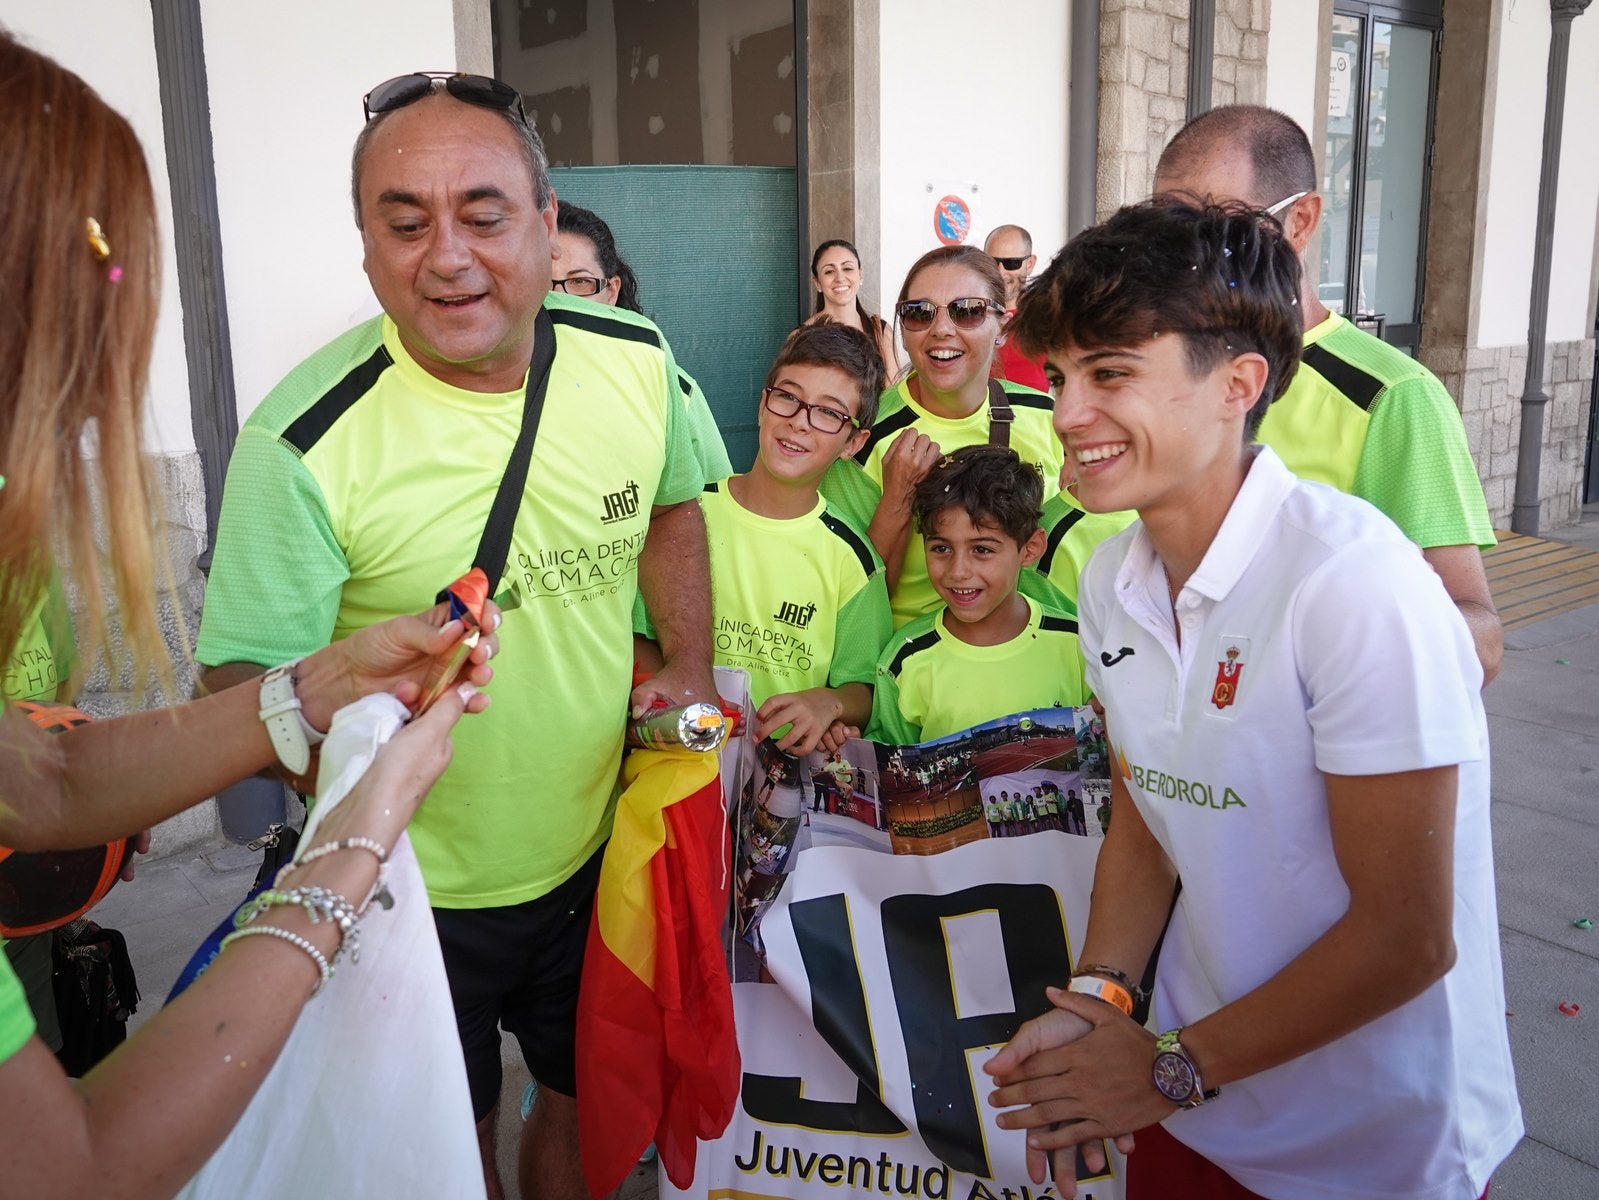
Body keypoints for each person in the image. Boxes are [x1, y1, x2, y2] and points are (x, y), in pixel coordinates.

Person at [194, 74, 713, 1200]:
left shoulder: (634, 357)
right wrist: (354, 748)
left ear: (545, 221)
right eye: (404, 223)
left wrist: (687, 665)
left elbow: (676, 504)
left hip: (598, 852)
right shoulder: (298, 443)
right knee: (446, 1151)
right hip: (405, 892)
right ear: (364, 246)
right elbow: (236, 688)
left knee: (578, 1111)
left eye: (483, 215)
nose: (448, 257)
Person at [0, 33, 495, 1198]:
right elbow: (71, 1169)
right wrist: (349, 845)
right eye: (87, 306)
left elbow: (40, 780)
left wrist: (323, 686)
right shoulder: (295, 434)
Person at [985, 199, 1520, 1199]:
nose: (1065, 415)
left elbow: (1407, 937)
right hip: (1192, 1098)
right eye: (1059, 377)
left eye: (1110, 374)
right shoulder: (1110, 578)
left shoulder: (1353, 583)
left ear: (1238, 384)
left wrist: (1162, 1069)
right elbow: (1146, 812)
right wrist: (1100, 1003)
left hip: (1373, 1142)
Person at [1153, 104, 1503, 683]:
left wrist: (1301, 631)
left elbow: (1480, 643)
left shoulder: (1391, 396)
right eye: (1168, 228)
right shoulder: (1150, 367)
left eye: (1225, 228)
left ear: (1301, 220)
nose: (1189, 252)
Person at [822, 246, 1064, 629]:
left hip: (1031, 648)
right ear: (903, 330)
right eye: (920, 312)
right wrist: (897, 501)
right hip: (910, 655)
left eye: (967, 311)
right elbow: (841, 590)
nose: (941, 329)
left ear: (1002, 327)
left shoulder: (1049, 418)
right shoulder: (865, 435)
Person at [702, 324, 893, 756]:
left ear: (853, 442)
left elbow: (863, 690)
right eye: (788, 397)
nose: (799, 422)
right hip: (680, 764)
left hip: (786, 774)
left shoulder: (853, 560)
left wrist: (829, 703)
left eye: (828, 413)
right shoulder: (690, 515)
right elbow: (640, 637)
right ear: (762, 404)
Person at [867, 447, 1089, 744]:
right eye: (941, 548)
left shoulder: (1079, 647)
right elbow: (891, 764)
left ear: (1031, 549)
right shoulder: (906, 659)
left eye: (982, 549)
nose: (958, 571)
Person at [553, 202, 732, 483]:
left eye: (580, 282)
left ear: (612, 291)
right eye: (541, 282)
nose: (560, 299)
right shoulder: (496, 386)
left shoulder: (669, 387)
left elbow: (715, 493)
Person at [801, 239, 899, 381]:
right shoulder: (801, 337)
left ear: (860, 274)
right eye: (829, 271)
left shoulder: (880, 331)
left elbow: (894, 389)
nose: (840, 278)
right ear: (817, 283)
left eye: (847, 268)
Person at [983, 224, 1050, 392]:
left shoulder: (1050, 315)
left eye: (1011, 263)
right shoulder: (966, 312)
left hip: (1034, 408)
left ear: (1030, 264)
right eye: (992, 262)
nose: (1000, 272)